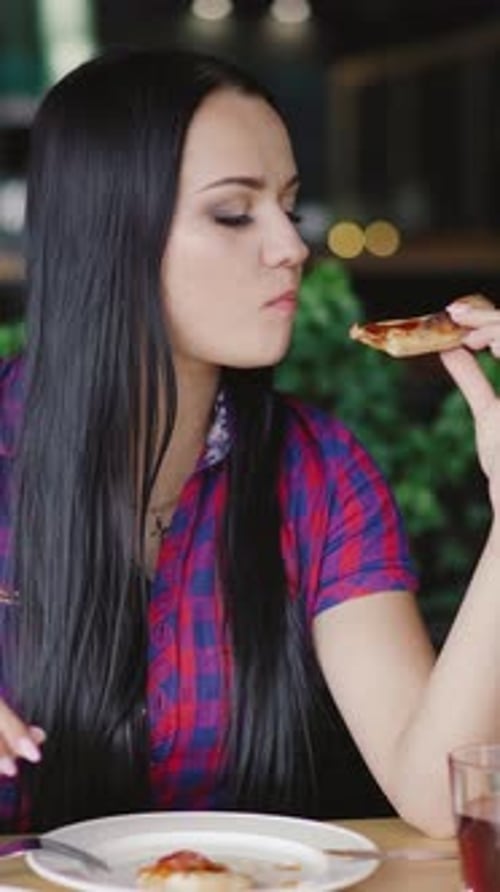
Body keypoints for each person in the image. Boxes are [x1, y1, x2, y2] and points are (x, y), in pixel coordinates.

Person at [0, 47, 498, 836]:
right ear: (108, 233)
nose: (292, 247)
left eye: (288, 210)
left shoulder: (319, 472)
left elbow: (440, 797)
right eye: (234, 213)